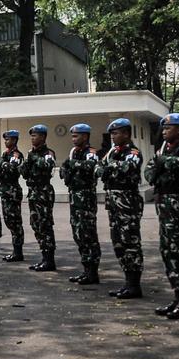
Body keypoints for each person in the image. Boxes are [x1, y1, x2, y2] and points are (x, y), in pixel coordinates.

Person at [145, 113, 179, 320]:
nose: (164, 131)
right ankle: (177, 296)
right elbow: (149, 172)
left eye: (169, 128)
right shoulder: (162, 149)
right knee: (167, 250)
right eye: (164, 128)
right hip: (163, 202)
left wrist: (164, 162)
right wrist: (160, 164)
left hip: (177, 201)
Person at [99, 118, 145, 299]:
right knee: (118, 242)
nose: (113, 136)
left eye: (116, 133)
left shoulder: (133, 152)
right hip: (113, 203)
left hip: (127, 202)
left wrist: (110, 167)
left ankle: (134, 284)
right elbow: (98, 169)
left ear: (126, 134)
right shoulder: (112, 152)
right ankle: (127, 282)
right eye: (111, 133)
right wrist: (110, 167)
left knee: (130, 242)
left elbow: (128, 167)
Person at [60, 124, 101, 284]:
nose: (73, 139)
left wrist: (73, 164)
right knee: (78, 233)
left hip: (86, 197)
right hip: (75, 197)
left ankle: (93, 272)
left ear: (85, 136)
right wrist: (66, 169)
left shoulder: (90, 152)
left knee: (88, 234)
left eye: (76, 136)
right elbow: (64, 167)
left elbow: (91, 166)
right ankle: (86, 269)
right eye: (72, 136)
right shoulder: (74, 152)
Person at [20, 125, 57, 271]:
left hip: (43, 192)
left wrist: (33, 158)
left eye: (35, 135)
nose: (32, 138)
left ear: (42, 137)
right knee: (36, 224)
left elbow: (47, 166)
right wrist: (29, 160)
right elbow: (23, 171)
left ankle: (49, 260)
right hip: (33, 192)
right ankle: (44, 257)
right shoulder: (30, 153)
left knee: (45, 225)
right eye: (31, 136)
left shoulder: (48, 153)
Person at [0, 131, 27, 262]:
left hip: (12, 191)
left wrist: (3, 165)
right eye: (5, 139)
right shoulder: (5, 154)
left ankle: (18, 252)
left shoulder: (17, 155)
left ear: (14, 140)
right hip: (4, 190)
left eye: (8, 139)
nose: (5, 142)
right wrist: (3, 166)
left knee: (15, 222)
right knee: (8, 220)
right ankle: (15, 251)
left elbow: (13, 169)